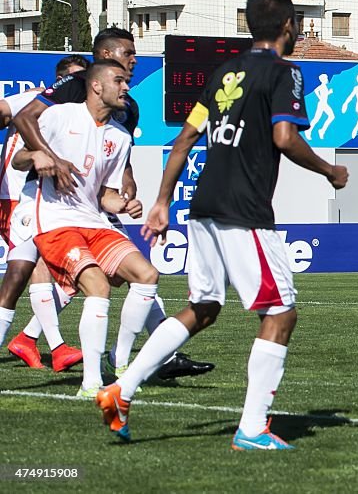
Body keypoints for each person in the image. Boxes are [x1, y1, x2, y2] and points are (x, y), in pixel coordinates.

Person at [96, 0, 349, 448]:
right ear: (288, 26)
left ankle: (120, 388)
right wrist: (330, 170)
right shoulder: (284, 72)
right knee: (280, 313)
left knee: (205, 307)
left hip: (204, 205)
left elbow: (184, 140)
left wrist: (161, 201)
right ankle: (252, 429)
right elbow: (285, 137)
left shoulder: (222, 73)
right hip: (243, 210)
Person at [6, 29, 214, 381]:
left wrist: (125, 187)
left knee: (138, 275)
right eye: (127, 54)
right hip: (40, 204)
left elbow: (114, 154)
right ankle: (61, 350)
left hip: (89, 206)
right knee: (25, 276)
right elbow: (22, 125)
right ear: (104, 58)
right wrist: (48, 157)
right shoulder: (70, 91)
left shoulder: (126, 110)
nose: (134, 60)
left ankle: (146, 354)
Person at [12, 60, 157, 397]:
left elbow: (103, 194)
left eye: (127, 81)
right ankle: (91, 384)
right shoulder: (60, 115)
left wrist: (123, 203)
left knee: (146, 275)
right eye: (119, 80)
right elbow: (21, 157)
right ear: (95, 86)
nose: (126, 87)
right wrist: (36, 157)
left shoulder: (120, 137)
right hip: (55, 221)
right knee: (97, 285)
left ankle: (116, 361)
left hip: (92, 219)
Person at [0, 54, 89, 372]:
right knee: (21, 274)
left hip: (53, 203)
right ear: (60, 81)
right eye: (76, 79)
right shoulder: (33, 100)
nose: (82, 86)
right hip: (16, 197)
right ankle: (53, 345)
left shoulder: (82, 116)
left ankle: (28, 338)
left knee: (69, 278)